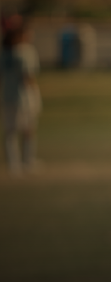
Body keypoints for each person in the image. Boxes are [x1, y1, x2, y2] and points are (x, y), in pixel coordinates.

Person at [0, 23, 41, 175]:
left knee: (10, 131)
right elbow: (28, 77)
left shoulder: (4, 54)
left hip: (7, 96)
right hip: (24, 97)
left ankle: (13, 165)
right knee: (28, 130)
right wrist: (35, 94)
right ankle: (28, 162)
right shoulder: (25, 52)